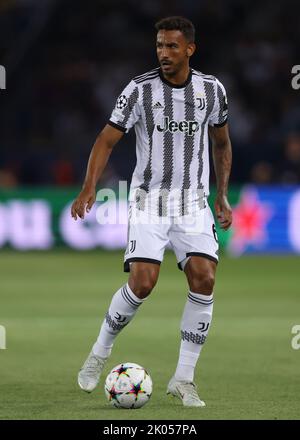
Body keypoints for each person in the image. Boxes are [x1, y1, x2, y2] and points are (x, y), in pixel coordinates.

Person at [71, 16, 232, 407]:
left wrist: (222, 195)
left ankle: (184, 378)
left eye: (172, 46)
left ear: (190, 49)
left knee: (205, 278)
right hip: (150, 202)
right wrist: (89, 186)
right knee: (143, 282)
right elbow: (106, 139)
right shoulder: (139, 91)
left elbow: (222, 143)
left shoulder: (212, 91)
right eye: (160, 45)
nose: (163, 52)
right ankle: (99, 351)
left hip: (193, 203)